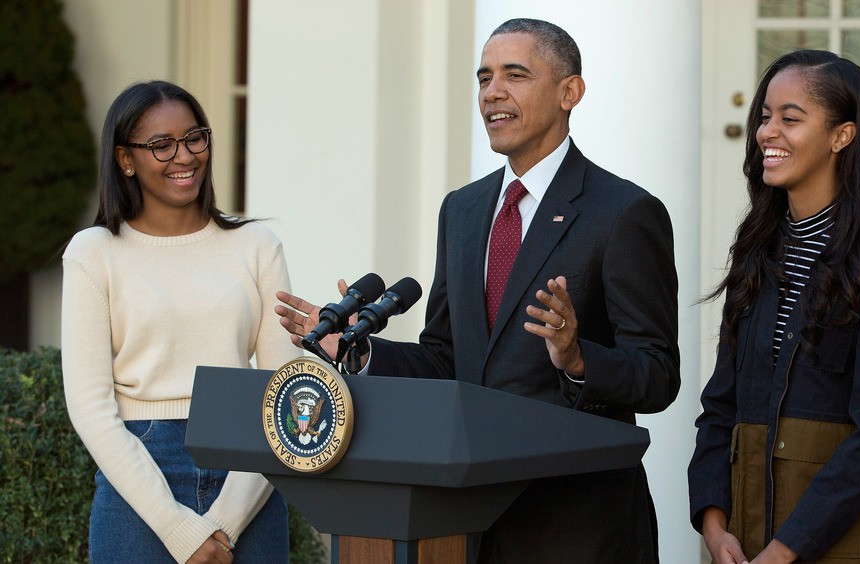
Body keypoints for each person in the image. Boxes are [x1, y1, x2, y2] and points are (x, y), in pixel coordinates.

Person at [276, 18, 680, 564]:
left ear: (570, 92)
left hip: (579, 526)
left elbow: (657, 375)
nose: (493, 92)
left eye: (515, 75)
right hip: (466, 524)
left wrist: (578, 358)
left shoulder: (625, 213)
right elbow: (449, 360)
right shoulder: (462, 211)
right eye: (484, 77)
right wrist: (357, 349)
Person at [688, 50, 860, 564]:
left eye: (790, 118)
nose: (766, 132)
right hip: (746, 540)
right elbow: (721, 406)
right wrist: (713, 525)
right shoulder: (758, 254)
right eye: (764, 116)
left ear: (841, 136)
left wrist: (785, 551)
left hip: (843, 543)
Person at [61, 80, 300, 563]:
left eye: (195, 137)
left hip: (248, 470)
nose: (184, 156)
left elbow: (287, 394)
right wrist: (175, 527)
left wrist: (225, 524)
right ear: (125, 159)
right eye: (161, 145)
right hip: (139, 477)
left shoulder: (256, 245)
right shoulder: (94, 253)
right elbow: (90, 406)